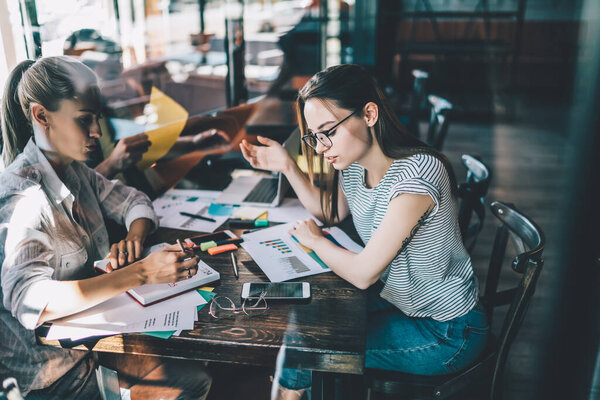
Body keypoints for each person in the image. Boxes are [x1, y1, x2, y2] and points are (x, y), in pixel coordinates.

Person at [240, 64, 489, 399]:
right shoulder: (355, 166)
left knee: (309, 347)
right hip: (400, 302)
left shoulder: (417, 177)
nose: (320, 146)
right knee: (304, 324)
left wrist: (314, 240)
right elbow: (331, 212)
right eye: (314, 136)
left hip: (447, 331)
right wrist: (287, 164)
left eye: (328, 131)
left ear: (369, 114)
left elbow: (363, 274)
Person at [0, 56, 211, 399]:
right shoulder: (21, 196)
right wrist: (141, 273)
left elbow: (134, 201)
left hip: (91, 344)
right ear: (41, 116)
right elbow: (29, 302)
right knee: (188, 383)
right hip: (51, 377)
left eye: (96, 118)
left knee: (193, 371)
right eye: (84, 120)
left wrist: (134, 236)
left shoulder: (76, 172)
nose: (97, 132)